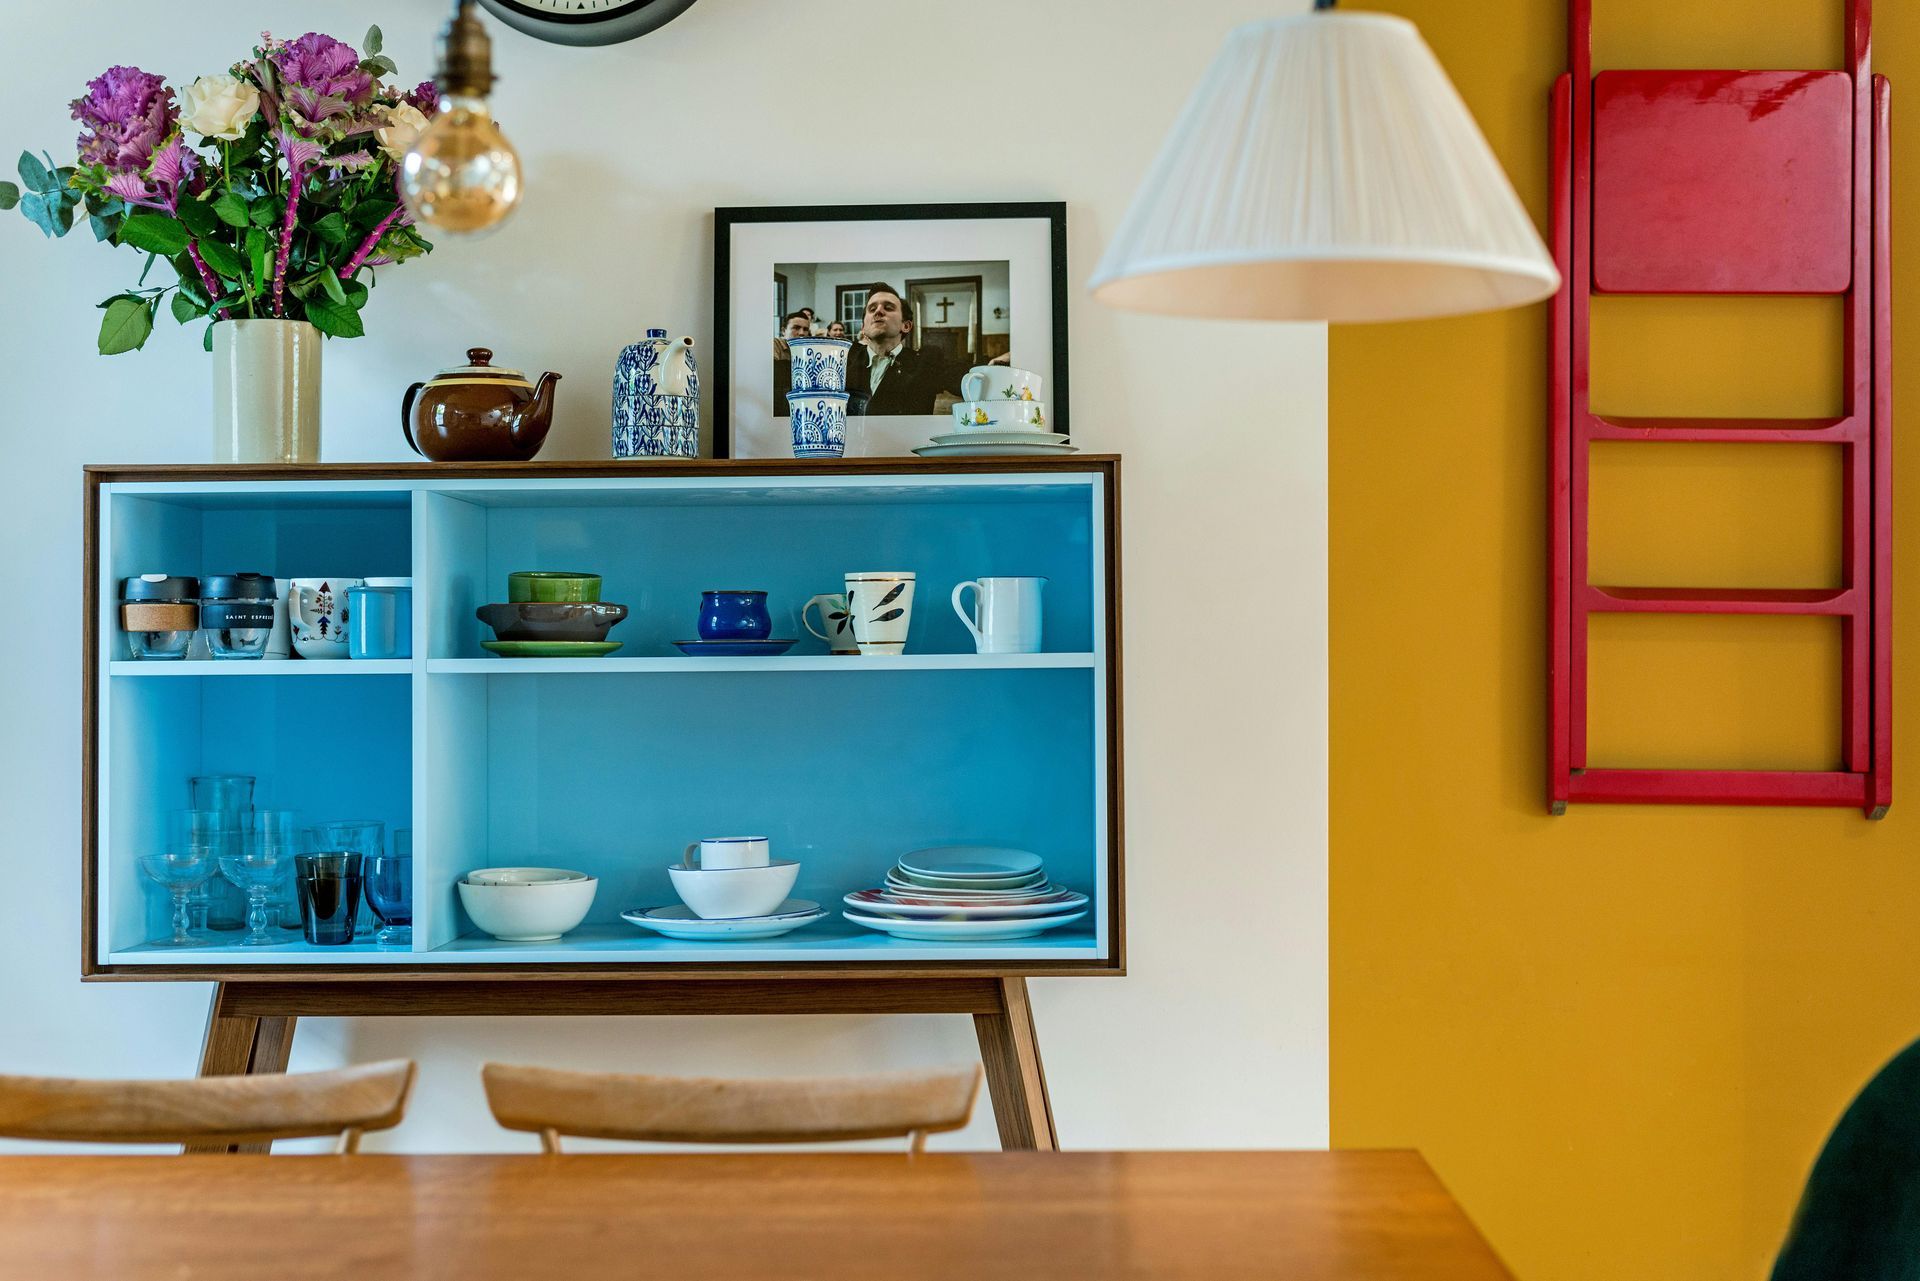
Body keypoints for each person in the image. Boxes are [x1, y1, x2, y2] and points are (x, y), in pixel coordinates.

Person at [845, 282, 954, 416]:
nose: (878, 311)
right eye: (872, 309)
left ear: (906, 326)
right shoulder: (843, 359)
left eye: (888, 307)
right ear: (863, 327)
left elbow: (967, 377)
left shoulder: (925, 364)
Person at [773, 310, 812, 399]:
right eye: (796, 328)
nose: (802, 333)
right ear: (783, 331)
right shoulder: (775, 345)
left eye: (805, 329)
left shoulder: (808, 351)